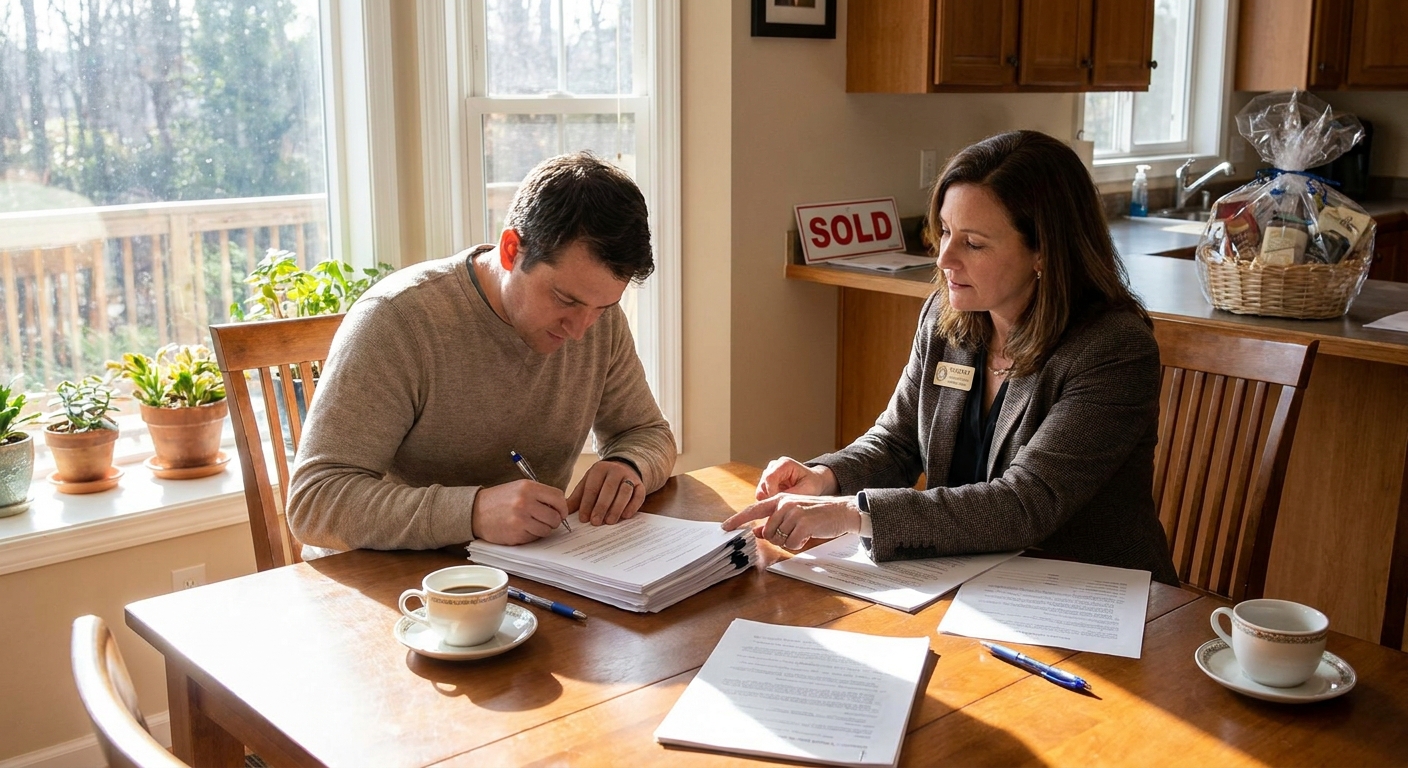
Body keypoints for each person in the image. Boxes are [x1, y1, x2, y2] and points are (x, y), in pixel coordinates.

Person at [724, 130, 1179, 585]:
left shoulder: (1112, 348)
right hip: (972, 581)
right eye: (944, 231)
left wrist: (849, 513)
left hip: (1093, 595)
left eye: (973, 243)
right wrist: (824, 478)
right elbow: (899, 441)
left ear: (1044, 251)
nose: (944, 258)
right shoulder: (950, 316)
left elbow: (1025, 504)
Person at [288, 152, 676, 553]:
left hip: (525, 570)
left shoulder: (595, 320)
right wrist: (472, 512)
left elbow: (648, 433)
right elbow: (314, 502)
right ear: (511, 250)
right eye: (564, 299)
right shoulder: (397, 320)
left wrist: (628, 467)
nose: (580, 330)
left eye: (602, 308)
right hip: (389, 582)